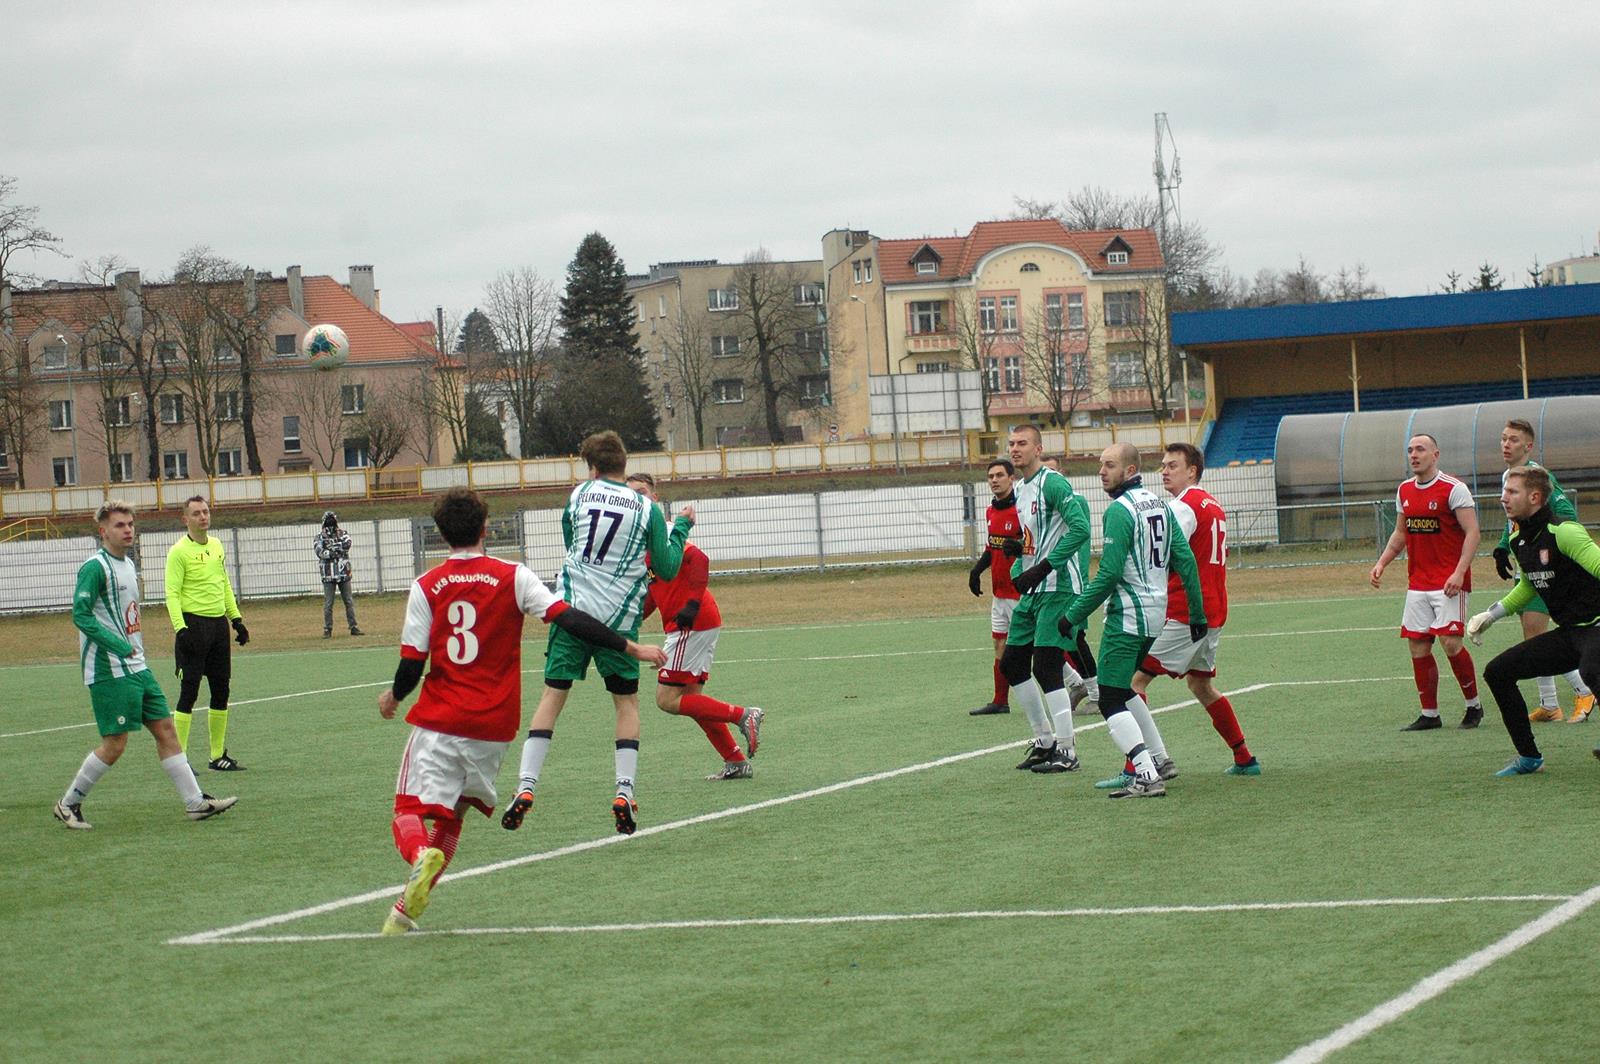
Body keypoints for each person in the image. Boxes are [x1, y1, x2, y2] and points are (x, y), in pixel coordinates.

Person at [376, 488, 665, 934]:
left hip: (441, 719)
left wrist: (394, 697)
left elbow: (412, 663)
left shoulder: (426, 586)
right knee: (453, 818)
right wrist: (631, 646)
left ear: (440, 535)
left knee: (407, 813)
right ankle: (403, 914)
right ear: (486, 529)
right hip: (494, 727)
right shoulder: (513, 576)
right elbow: (573, 619)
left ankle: (417, 856)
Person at [503, 430, 695, 837]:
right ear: (624, 463)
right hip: (620, 621)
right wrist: (680, 528)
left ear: (591, 467)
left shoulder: (578, 495)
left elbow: (572, 543)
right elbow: (667, 568)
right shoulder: (645, 508)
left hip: (572, 614)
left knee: (552, 697)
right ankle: (624, 792)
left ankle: (525, 785)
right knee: (626, 705)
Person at [54, 500, 237, 829]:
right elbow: (80, 615)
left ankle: (195, 802)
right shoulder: (96, 567)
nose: (127, 530)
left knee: (166, 730)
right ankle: (69, 803)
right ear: (103, 531)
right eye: (119, 525)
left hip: (137, 666)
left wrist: (133, 647)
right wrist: (118, 645)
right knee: (116, 743)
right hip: (109, 669)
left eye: (130, 524)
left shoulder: (127, 565)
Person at [1109, 443, 1258, 789]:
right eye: (1162, 465)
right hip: (1214, 610)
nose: (1164, 471)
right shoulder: (1212, 503)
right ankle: (1244, 757)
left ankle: (1139, 767)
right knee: (1201, 684)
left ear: (1192, 471)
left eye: (1173, 465)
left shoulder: (1183, 506)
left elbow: (1163, 552)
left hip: (1185, 612)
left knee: (1132, 682)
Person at [1062, 444, 1206, 799]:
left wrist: (1073, 615)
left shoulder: (1120, 511)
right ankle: (1159, 759)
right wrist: (1197, 613)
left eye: (1109, 465)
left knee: (1110, 698)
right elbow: (1185, 560)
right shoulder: (1159, 503)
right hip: (1156, 613)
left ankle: (1145, 774)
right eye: (1100, 465)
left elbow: (1109, 574)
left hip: (1128, 616)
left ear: (1129, 471)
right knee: (1124, 688)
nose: (1101, 472)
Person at [627, 472, 764, 779]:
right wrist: (633, 622)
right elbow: (653, 590)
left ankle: (744, 715)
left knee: (667, 700)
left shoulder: (664, 531)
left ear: (654, 498)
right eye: (631, 494)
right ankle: (736, 761)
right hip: (696, 621)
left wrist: (690, 604)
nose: (637, 498)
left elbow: (699, 559)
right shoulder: (642, 542)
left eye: (642, 492)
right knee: (693, 700)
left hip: (692, 621)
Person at [1467, 466, 1600, 775]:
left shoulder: (1564, 531)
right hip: (1570, 634)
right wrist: (1492, 614)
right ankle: (1529, 758)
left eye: (1512, 492)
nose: (1503, 498)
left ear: (1535, 497)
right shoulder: (1518, 539)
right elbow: (1529, 584)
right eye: (1504, 491)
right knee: (1497, 672)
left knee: (1591, 669)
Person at [1369, 434, 1483, 731]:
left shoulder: (1454, 489)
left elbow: (1473, 533)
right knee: (1418, 647)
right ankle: (1430, 714)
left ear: (1436, 454)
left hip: (1449, 582)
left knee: (1450, 642)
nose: (1414, 455)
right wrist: (1382, 562)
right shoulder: (1404, 490)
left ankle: (1474, 706)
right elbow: (1400, 533)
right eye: (1409, 450)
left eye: (1420, 449)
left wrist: (1459, 572)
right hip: (1418, 582)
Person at [1000, 424, 1092, 774]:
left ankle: (1067, 751)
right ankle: (1044, 741)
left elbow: (1080, 528)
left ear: (1038, 448)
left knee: (1047, 666)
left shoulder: (1053, 482)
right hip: (1035, 590)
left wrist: (1043, 567)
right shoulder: (1021, 488)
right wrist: (1019, 552)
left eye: (1022, 443)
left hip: (1059, 587)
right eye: (1011, 444)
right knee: (1012, 663)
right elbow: (1036, 537)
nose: (1015, 449)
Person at [1491, 419, 1594, 723]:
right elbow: (1516, 521)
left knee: (1539, 633)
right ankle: (1549, 704)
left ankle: (1583, 690)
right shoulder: (1508, 477)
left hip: (1549, 568)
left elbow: (1566, 514)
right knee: (1531, 634)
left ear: (1528, 446)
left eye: (1512, 440)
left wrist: (1546, 543)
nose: (1505, 445)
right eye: (1503, 439)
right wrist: (1502, 546)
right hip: (1528, 565)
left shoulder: (1539, 476)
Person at [165, 495, 249, 770]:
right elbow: (172, 594)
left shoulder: (216, 545)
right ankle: (180, 760)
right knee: (189, 693)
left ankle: (217, 756)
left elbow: (223, 584)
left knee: (221, 690)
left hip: (217, 627)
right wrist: (181, 630)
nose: (203, 517)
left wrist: (236, 620)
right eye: (197, 513)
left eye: (206, 511)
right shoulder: (179, 552)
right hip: (193, 626)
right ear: (185, 519)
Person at [966, 458, 1023, 716]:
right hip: (999, 594)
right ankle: (1000, 701)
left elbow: (1037, 545)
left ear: (1012, 478)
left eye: (1000, 475)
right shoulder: (991, 511)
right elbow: (992, 547)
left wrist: (1021, 547)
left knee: (1036, 648)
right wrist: (977, 571)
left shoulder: (1021, 510)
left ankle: (1078, 684)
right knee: (999, 646)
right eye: (991, 476)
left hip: (1020, 593)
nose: (994, 480)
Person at [314, 510, 363, 638]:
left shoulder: (343, 533)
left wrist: (332, 548)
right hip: (328, 575)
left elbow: (347, 544)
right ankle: (327, 629)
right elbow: (319, 551)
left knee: (348, 601)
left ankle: (353, 627)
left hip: (343, 573)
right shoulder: (319, 537)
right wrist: (332, 552)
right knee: (328, 603)